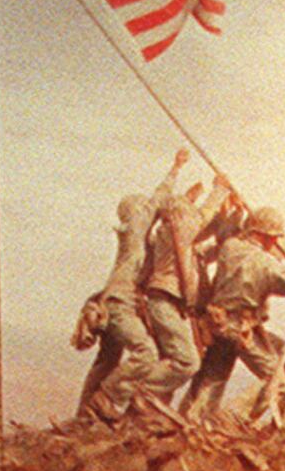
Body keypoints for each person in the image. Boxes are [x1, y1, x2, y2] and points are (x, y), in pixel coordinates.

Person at [71, 149, 205, 423]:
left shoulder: (145, 241)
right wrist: (176, 168)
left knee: (106, 361)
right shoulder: (136, 230)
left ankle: (84, 416)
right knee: (146, 353)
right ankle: (107, 399)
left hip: (112, 303)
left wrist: (188, 199)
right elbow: (158, 201)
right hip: (119, 305)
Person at [180, 204, 285, 430]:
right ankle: (233, 417)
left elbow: (229, 235)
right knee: (278, 381)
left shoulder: (230, 247)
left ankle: (190, 420)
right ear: (265, 237)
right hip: (239, 328)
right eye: (273, 238)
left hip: (217, 323)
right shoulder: (266, 265)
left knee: (212, 377)